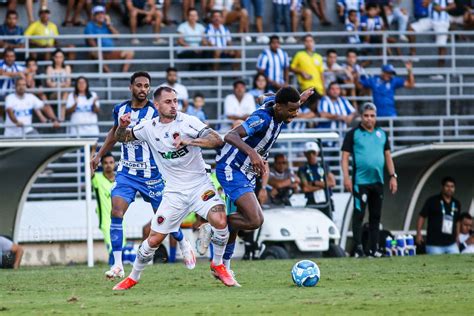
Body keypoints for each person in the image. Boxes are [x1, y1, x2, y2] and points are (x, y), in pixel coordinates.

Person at [112, 86, 237, 290]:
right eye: (168, 102)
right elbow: (122, 137)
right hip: (174, 192)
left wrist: (191, 140)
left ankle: (218, 264)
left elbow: (217, 140)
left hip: (199, 185)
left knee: (220, 219)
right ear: (157, 104)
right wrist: (121, 126)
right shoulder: (148, 127)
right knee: (153, 239)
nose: (174, 106)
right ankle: (133, 277)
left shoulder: (188, 121)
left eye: (176, 101)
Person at [198, 87, 314, 275]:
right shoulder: (262, 119)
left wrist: (300, 99)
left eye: (297, 108)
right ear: (279, 107)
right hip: (231, 168)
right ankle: (213, 227)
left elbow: (262, 97)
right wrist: (253, 154)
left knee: (237, 222)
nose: (296, 113)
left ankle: (223, 267)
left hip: (247, 172)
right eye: (292, 110)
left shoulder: (275, 105)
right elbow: (230, 135)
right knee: (255, 219)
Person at [90, 72, 192, 280]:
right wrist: (99, 154)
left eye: (146, 86)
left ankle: (182, 242)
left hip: (151, 173)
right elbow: (114, 135)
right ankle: (118, 264)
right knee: (116, 212)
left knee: (165, 218)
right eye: (139, 85)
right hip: (127, 172)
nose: (143, 89)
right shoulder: (120, 110)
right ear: (131, 88)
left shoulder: (155, 111)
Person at [341, 102, 398, 258]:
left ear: (376, 116)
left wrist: (393, 176)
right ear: (361, 116)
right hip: (360, 181)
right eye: (366, 116)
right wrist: (346, 177)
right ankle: (359, 248)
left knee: (375, 216)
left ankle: (374, 249)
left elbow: (388, 156)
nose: (369, 119)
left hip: (377, 181)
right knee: (359, 216)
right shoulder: (353, 134)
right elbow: (345, 157)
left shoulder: (382, 134)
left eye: (372, 116)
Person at [92, 152, 125, 265]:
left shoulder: (119, 180)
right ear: (101, 164)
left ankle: (118, 270)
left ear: (115, 164)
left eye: (111, 162)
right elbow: (90, 170)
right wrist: (93, 152)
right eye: (105, 163)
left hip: (120, 219)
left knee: (121, 247)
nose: (108, 165)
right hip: (106, 222)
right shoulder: (97, 178)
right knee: (112, 248)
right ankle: (113, 270)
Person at [416, 177, 461, 255]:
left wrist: (457, 236)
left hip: (451, 243)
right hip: (434, 244)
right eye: (447, 186)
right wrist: (419, 233)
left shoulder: (456, 203)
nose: (449, 189)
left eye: (452, 186)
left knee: (457, 263)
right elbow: (422, 216)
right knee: (436, 266)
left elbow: (457, 221)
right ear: (442, 187)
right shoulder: (432, 201)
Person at [408, 0, 456, 72]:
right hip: (430, 19)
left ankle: (440, 72)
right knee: (411, 29)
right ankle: (413, 54)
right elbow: (424, 4)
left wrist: (442, 9)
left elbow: (453, 5)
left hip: (442, 21)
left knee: (441, 46)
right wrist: (427, 3)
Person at [84, 5, 134, 73]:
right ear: (93, 16)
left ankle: (124, 73)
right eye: (97, 13)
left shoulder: (106, 25)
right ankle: (109, 73)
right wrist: (100, 50)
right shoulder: (90, 26)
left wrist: (109, 24)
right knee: (96, 52)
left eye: (102, 13)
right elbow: (91, 42)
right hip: (98, 52)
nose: (100, 15)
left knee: (129, 52)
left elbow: (117, 36)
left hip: (110, 52)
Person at [298, 141, 336, 218]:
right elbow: (305, 188)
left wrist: (315, 183)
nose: (311, 155)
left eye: (313, 153)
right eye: (309, 153)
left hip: (326, 202)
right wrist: (324, 185)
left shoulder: (324, 165)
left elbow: (332, 183)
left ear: (317, 153)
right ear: (305, 154)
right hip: (312, 203)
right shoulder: (302, 169)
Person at [46, 48, 72, 121]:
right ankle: (61, 117)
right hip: (53, 93)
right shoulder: (50, 68)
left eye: (60, 57)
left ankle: (61, 117)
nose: (58, 59)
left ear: (63, 58)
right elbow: (48, 83)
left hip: (64, 92)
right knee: (64, 93)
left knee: (65, 93)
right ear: (53, 58)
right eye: (56, 57)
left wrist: (56, 85)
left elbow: (68, 82)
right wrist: (60, 85)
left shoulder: (67, 67)